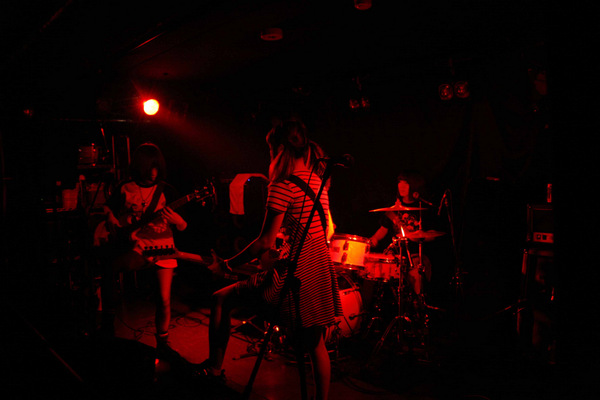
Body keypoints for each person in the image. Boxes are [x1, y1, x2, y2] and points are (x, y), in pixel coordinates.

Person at [199, 119, 341, 400]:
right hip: (319, 270)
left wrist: (227, 265)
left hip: (295, 275)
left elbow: (264, 241)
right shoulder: (318, 181)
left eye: (270, 150)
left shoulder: (282, 185)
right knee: (315, 342)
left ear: (278, 150)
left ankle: (214, 371)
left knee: (220, 299)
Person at [95, 142, 187, 359]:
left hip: (164, 248)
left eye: (156, 168)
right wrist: (110, 217)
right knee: (111, 267)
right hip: (138, 246)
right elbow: (107, 206)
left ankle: (162, 343)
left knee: (164, 299)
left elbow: (183, 226)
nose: (153, 173)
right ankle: (107, 325)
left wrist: (179, 221)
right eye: (149, 168)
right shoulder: (125, 188)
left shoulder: (167, 190)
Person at [369, 171, 432, 295]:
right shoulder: (393, 208)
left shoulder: (421, 208)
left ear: (413, 185)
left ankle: (417, 303)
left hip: (415, 255)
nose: (401, 186)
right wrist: (373, 239)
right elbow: (383, 230)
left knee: (416, 274)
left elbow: (432, 234)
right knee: (372, 269)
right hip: (395, 255)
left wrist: (418, 237)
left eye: (406, 183)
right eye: (399, 183)